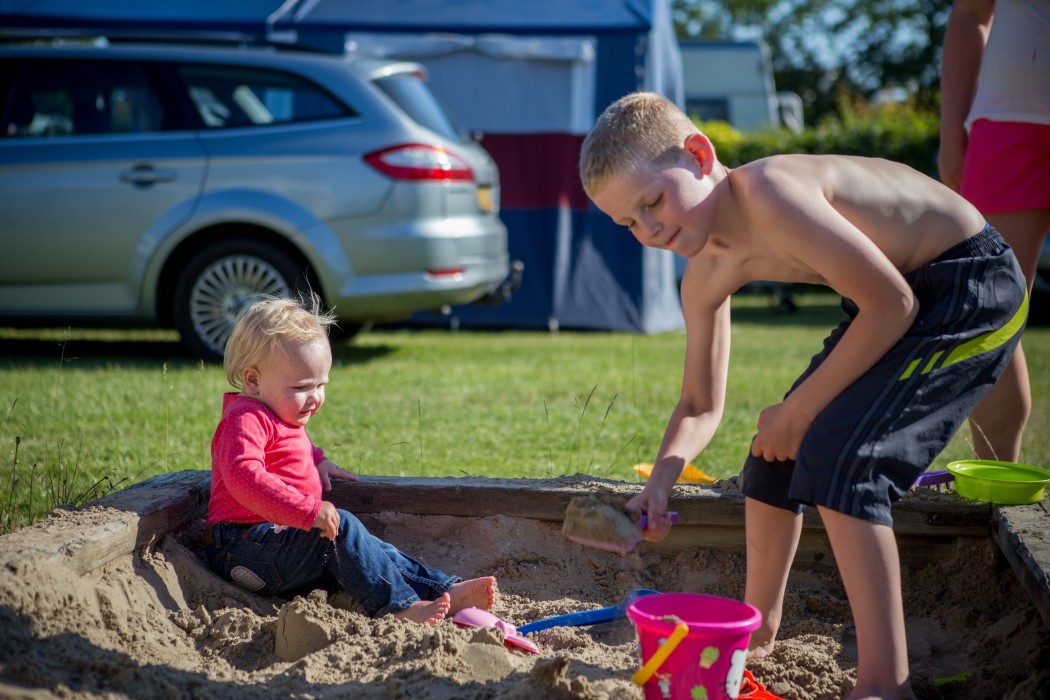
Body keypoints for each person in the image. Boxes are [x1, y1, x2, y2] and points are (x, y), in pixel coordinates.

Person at [579, 92, 1027, 699]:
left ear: (699, 154)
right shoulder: (705, 273)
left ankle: (884, 684)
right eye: (628, 222)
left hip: (969, 283)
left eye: (653, 201)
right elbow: (700, 404)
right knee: (770, 460)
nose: (650, 229)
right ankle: (758, 631)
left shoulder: (771, 192)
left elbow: (894, 304)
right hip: (892, 297)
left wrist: (800, 409)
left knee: (846, 463)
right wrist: (661, 480)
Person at [205, 294, 496, 625]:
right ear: (253, 380)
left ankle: (442, 588)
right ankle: (399, 607)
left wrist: (317, 462)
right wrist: (308, 510)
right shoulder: (244, 420)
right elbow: (244, 476)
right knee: (343, 530)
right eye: (302, 386)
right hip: (243, 549)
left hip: (275, 544)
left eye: (321, 384)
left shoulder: (277, 412)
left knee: (370, 549)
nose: (315, 397)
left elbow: (289, 447)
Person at [939, 0, 1050, 462]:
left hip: (1009, 115)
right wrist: (951, 137)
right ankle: (997, 483)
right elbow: (969, 15)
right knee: (986, 314)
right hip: (1009, 118)